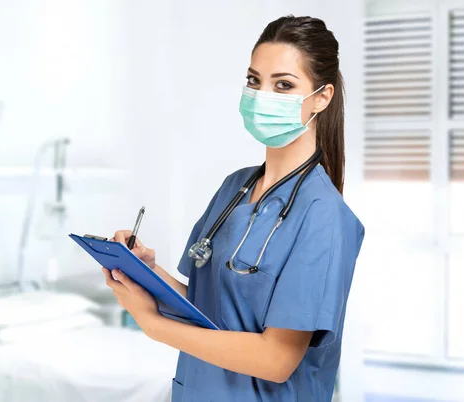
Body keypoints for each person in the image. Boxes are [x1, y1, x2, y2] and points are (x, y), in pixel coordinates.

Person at [102, 15, 365, 402]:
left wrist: (151, 324)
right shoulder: (234, 188)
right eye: (255, 81)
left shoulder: (324, 215)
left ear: (321, 98)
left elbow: (277, 359)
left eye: (284, 85)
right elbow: (205, 308)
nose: (262, 96)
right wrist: (144, 270)